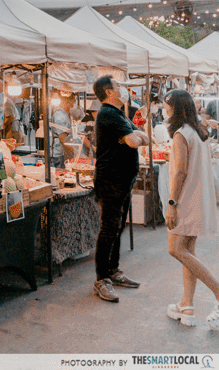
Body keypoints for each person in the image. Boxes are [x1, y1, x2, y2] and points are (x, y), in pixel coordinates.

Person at [162, 89, 219, 328]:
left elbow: (180, 172)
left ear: (175, 107)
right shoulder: (197, 132)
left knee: (175, 249)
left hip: (185, 201)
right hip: (198, 200)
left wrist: (172, 204)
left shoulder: (180, 134)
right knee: (188, 252)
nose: (164, 108)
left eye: (167, 104)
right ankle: (187, 306)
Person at [91, 75, 150, 303]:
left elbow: (141, 137)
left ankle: (113, 270)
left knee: (118, 228)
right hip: (111, 181)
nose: (122, 88)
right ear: (108, 91)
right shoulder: (107, 113)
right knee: (109, 228)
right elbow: (135, 141)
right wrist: (132, 138)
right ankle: (101, 279)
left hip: (124, 180)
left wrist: (134, 137)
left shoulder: (119, 114)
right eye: (118, 86)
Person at [50, 92, 74, 168]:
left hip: (62, 153)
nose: (73, 103)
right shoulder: (60, 115)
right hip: (59, 154)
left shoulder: (65, 114)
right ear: (67, 101)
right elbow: (62, 137)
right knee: (60, 175)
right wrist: (75, 151)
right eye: (73, 100)